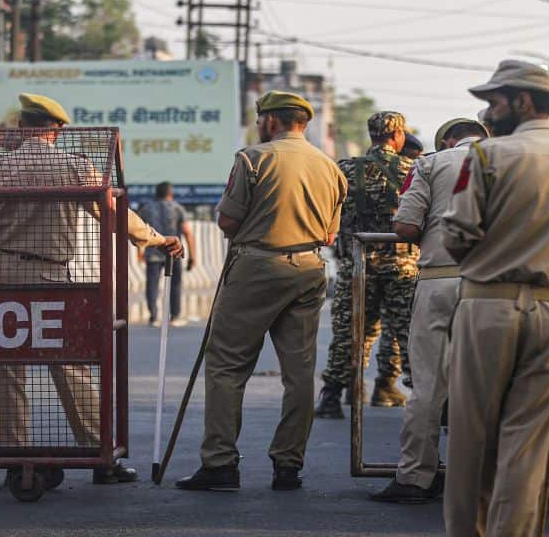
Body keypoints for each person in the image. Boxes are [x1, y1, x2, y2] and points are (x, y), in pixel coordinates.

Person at [0, 93, 182, 486]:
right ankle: (100, 455)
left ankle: (15, 457)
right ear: (57, 130)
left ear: (23, 126)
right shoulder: (74, 167)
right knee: (70, 365)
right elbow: (115, 216)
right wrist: (155, 238)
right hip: (48, 277)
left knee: (5, 369)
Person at [440, 60, 549, 536]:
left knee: (472, 439)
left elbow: (456, 235)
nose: (489, 112)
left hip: (488, 306)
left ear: (524, 102)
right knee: (529, 443)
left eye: (495, 101)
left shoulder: (488, 156)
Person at [175, 91, 346, 492]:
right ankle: (288, 465)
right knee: (300, 372)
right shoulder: (330, 167)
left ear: (270, 121)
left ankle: (220, 463)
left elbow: (228, 222)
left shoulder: (252, 158)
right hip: (308, 267)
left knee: (226, 365)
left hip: (257, 266)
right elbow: (330, 233)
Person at [370, 116, 486, 505]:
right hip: (496, 288)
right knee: (490, 387)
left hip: (440, 279)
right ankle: (481, 478)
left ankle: (416, 476)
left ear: (449, 140)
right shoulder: (515, 161)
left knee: (427, 385)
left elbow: (404, 227)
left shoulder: (431, 163)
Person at [315, 111, 416, 419]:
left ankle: (331, 396)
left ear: (371, 134)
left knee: (350, 330)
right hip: (402, 265)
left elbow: (328, 213)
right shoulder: (414, 168)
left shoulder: (344, 168)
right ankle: (420, 394)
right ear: (398, 136)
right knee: (409, 332)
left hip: (356, 264)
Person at [138, 181, 197, 326]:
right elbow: (188, 233)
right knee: (175, 284)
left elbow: (139, 232)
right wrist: (192, 256)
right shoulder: (177, 208)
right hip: (173, 252)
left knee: (152, 285)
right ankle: (175, 316)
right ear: (171, 193)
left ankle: (153, 317)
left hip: (152, 251)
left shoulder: (146, 209)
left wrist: (140, 252)